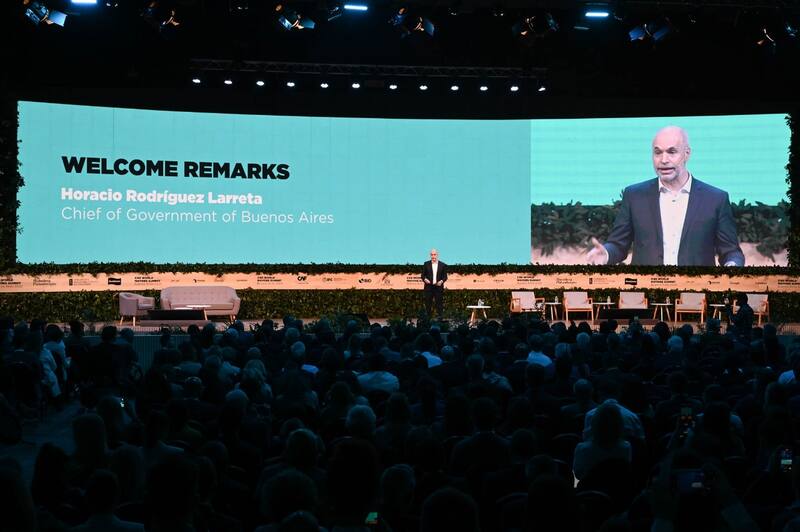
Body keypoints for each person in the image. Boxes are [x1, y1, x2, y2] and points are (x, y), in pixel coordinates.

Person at [587, 126, 744, 266]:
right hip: (646, 288)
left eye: (671, 152)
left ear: (687, 154)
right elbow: (618, 245)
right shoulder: (634, 196)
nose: (663, 160)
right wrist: (606, 254)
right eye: (657, 152)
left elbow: (731, 251)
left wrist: (732, 266)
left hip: (697, 288)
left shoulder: (715, 199)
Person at [421, 248, 448, 318]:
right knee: (428, 304)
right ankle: (428, 319)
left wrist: (441, 281)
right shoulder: (426, 264)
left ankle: (440, 319)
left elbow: (445, 277)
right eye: (432, 255)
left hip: (438, 288)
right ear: (430, 255)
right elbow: (422, 275)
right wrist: (425, 279)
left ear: (437, 255)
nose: (433, 256)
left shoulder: (443, 265)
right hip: (428, 287)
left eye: (434, 254)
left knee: (439, 304)